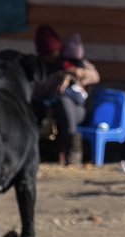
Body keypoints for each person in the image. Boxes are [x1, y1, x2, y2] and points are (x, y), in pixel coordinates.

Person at [31, 25, 100, 165]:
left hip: (76, 110)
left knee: (63, 103)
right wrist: (57, 78)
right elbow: (38, 88)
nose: (50, 58)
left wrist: (75, 74)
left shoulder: (72, 60)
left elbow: (95, 76)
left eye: (53, 53)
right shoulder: (40, 66)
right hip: (48, 109)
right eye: (47, 56)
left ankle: (74, 151)